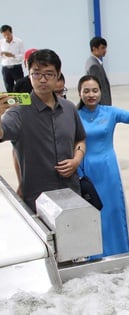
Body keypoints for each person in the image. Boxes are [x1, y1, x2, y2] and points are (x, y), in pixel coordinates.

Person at [0, 49, 86, 211]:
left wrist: (76, 159)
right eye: (37, 74)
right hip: (38, 199)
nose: (42, 80)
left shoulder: (68, 108)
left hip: (71, 192)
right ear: (29, 73)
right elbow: (2, 132)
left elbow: (80, 139)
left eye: (49, 74)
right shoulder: (18, 112)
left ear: (58, 74)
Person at [77, 75, 129, 258]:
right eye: (86, 91)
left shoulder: (110, 112)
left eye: (95, 90)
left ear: (101, 92)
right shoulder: (74, 115)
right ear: (79, 93)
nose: (91, 94)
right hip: (84, 169)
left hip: (108, 168)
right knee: (91, 212)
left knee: (112, 210)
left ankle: (119, 251)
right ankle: (93, 254)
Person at [85, 36, 112, 105]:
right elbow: (97, 89)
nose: (105, 50)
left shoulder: (91, 61)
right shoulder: (94, 66)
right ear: (94, 49)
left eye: (105, 48)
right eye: (102, 48)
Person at [1, 25, 24, 92]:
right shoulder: (1, 42)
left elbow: (22, 56)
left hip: (16, 67)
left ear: (11, 32)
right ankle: (12, 102)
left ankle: (23, 102)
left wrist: (13, 56)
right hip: (5, 68)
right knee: (8, 87)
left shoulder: (19, 42)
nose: (7, 37)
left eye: (8, 34)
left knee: (21, 86)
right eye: (4, 35)